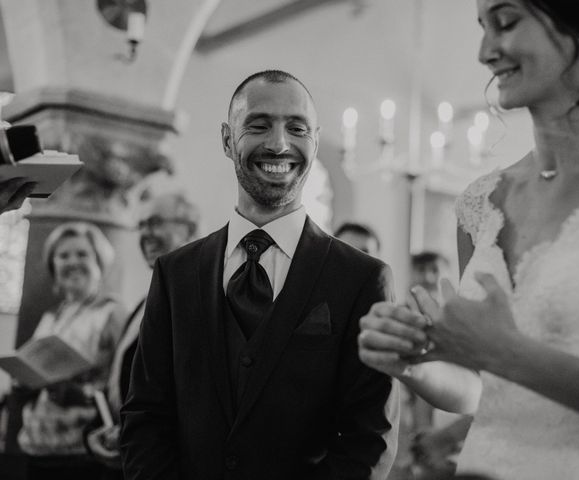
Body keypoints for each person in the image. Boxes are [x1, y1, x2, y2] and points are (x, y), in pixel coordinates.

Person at [358, 1, 579, 479]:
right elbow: (481, 391)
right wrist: (414, 365)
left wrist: (502, 350)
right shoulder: (479, 203)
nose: (486, 52)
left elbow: (500, 357)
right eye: (482, 28)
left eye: (506, 23)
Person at [120, 70, 399, 479]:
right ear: (227, 140)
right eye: (259, 125)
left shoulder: (363, 279)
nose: (279, 144)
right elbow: (145, 414)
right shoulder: (175, 272)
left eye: (297, 128)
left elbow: (369, 436)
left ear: (315, 141)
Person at [85, 192, 200, 479]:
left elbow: (192, 394)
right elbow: (124, 379)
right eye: (142, 226)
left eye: (156, 223)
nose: (146, 234)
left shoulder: (198, 298)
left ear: (190, 229)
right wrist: (100, 431)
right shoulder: (144, 301)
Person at [16, 222, 126, 479]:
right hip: (39, 445)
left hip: (84, 448)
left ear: (99, 262)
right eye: (63, 255)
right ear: (53, 265)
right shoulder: (53, 315)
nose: (72, 262)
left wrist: (82, 394)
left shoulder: (112, 312)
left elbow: (127, 378)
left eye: (82, 254)